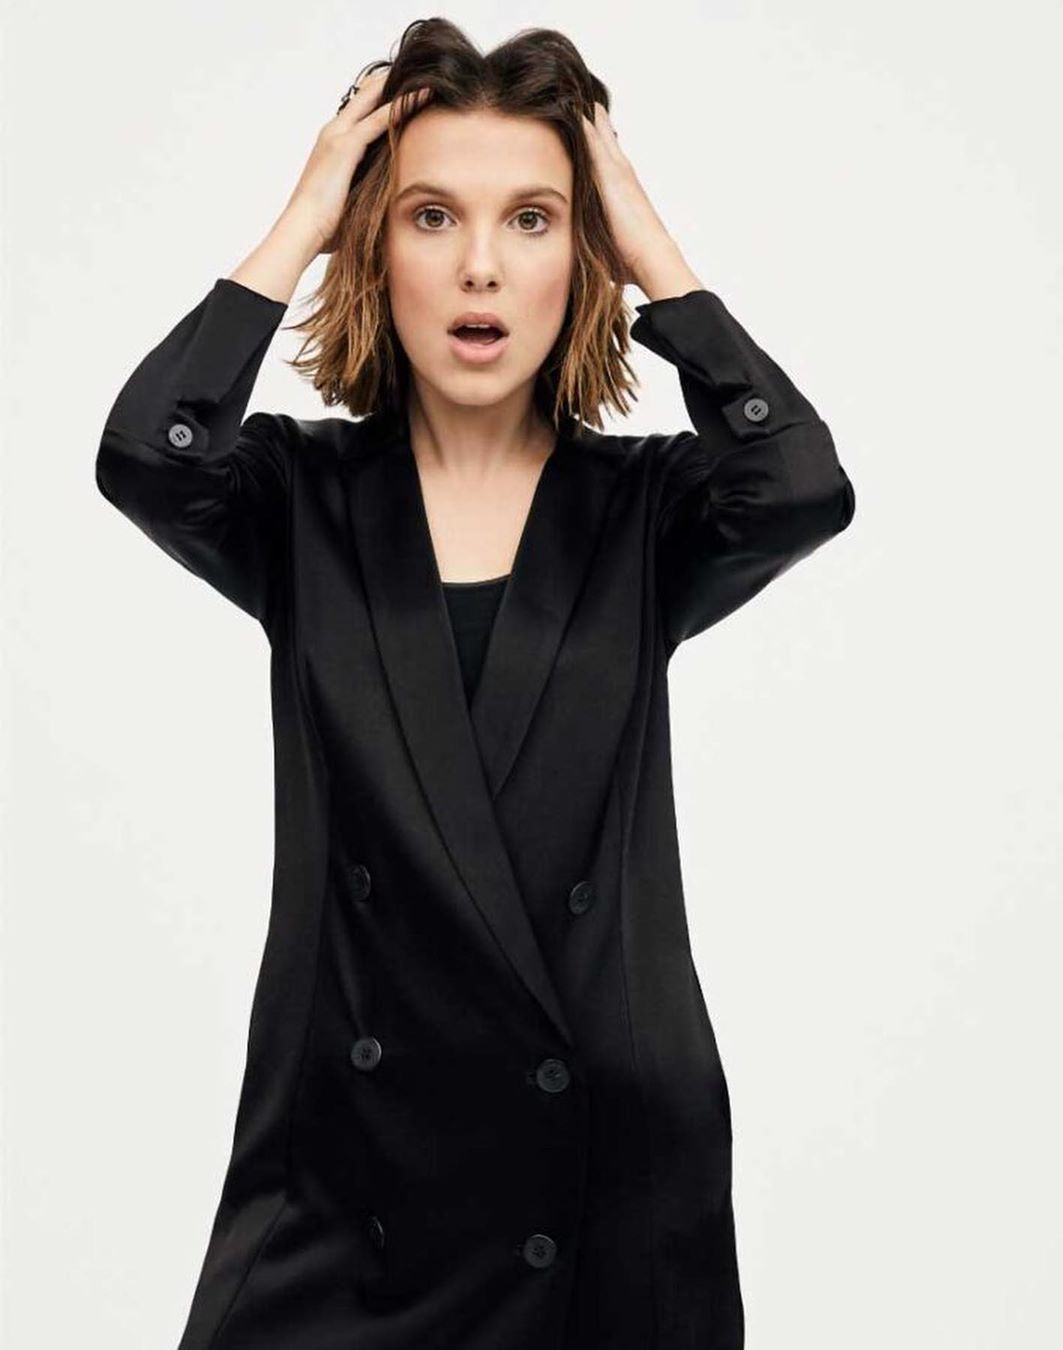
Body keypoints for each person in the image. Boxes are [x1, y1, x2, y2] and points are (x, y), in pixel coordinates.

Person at [95, 18, 855, 1350]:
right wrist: (305, 215)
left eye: (535, 219)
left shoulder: (646, 512)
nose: (482, 266)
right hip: (351, 1190)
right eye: (432, 216)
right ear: (376, 245)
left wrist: (646, 240)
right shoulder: (298, 498)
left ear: (583, 253)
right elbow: (149, 458)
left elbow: (799, 485)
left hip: (602, 1182)